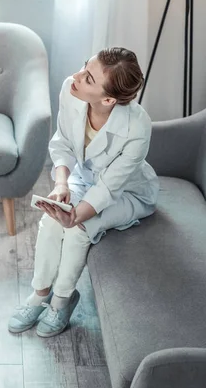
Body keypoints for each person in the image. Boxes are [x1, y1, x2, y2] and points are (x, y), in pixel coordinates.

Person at [8, 48, 159, 338]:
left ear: (108, 99)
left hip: (128, 192)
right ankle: (40, 296)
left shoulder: (138, 126)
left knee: (78, 229)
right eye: (83, 67)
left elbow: (110, 187)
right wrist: (61, 184)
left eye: (88, 78)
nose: (76, 77)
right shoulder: (72, 89)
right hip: (83, 178)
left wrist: (77, 215)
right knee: (52, 218)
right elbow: (62, 142)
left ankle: (62, 301)